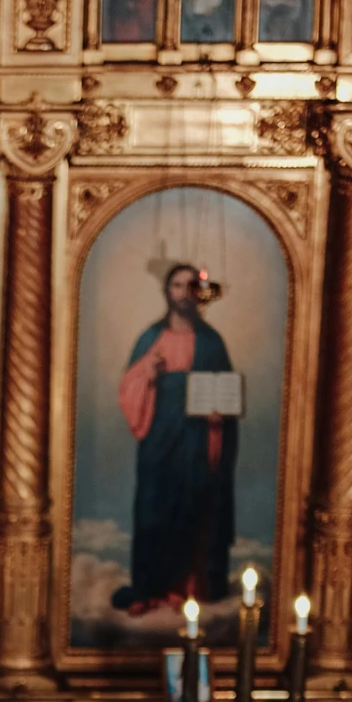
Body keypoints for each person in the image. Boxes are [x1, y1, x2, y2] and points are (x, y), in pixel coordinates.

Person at [111, 261, 237, 616]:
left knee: (191, 510)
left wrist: (218, 414)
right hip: (159, 440)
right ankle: (149, 589)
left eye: (189, 286)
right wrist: (146, 373)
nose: (184, 293)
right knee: (154, 511)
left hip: (197, 441)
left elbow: (224, 393)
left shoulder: (211, 343)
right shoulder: (151, 338)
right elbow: (129, 387)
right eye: (177, 286)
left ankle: (186, 587)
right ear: (167, 293)